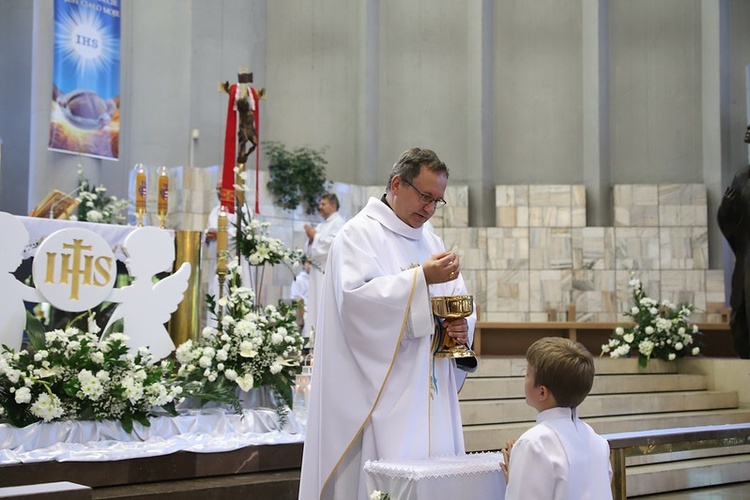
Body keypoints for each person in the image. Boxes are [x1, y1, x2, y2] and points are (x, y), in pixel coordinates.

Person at [298, 147, 476, 500]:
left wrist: (460, 326)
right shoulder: (358, 235)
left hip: (429, 388)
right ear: (396, 184)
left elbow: (458, 299)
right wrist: (421, 277)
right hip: (381, 392)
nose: (428, 209)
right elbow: (356, 304)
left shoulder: (432, 240)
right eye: (425, 196)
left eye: (436, 201)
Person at [500, 337, 613, 500]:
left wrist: (513, 482)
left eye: (527, 374)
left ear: (542, 393)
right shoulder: (598, 442)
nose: (524, 379)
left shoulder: (533, 444)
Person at [303, 193, 345, 335]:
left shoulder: (339, 223)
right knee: (314, 306)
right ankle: (312, 338)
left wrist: (315, 236)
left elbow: (333, 245)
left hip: (327, 271)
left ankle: (324, 337)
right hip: (316, 272)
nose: (320, 207)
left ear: (333, 206)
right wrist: (310, 240)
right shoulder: (321, 225)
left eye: (323, 204)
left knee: (324, 306)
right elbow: (310, 252)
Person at [291, 256, 312, 342]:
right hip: (303, 309)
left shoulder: (316, 280)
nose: (310, 266)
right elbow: (295, 296)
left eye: (311, 263)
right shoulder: (298, 279)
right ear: (303, 265)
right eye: (308, 263)